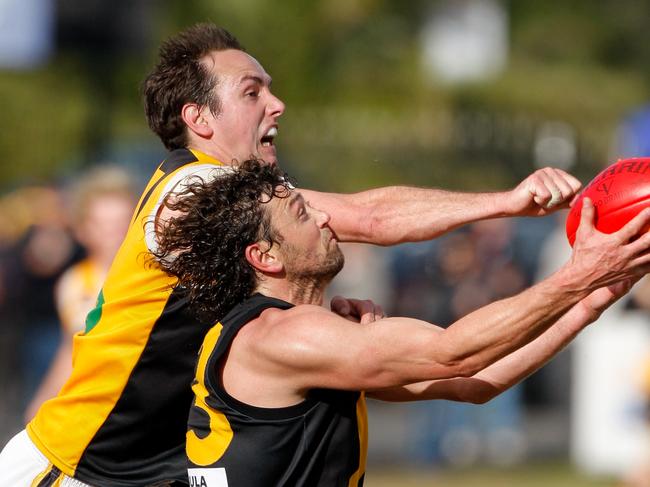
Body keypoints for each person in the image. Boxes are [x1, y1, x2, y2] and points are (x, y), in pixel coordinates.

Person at [0, 23, 584, 486]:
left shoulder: (221, 197)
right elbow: (369, 219)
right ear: (197, 119)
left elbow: (465, 373)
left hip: (133, 470)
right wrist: (506, 202)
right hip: (73, 468)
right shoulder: (192, 192)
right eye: (252, 92)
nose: (276, 104)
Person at [152, 160, 650, 487]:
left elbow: (473, 381)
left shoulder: (310, 338)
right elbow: (455, 352)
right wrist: (579, 274)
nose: (326, 219)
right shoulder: (281, 337)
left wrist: (596, 294)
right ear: (263, 255)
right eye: (303, 214)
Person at [23, 166, 136, 422]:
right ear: (83, 230)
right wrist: (41, 402)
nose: (114, 235)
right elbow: (69, 350)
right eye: (103, 225)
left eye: (122, 223)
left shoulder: (153, 278)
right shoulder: (75, 283)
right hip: (94, 409)